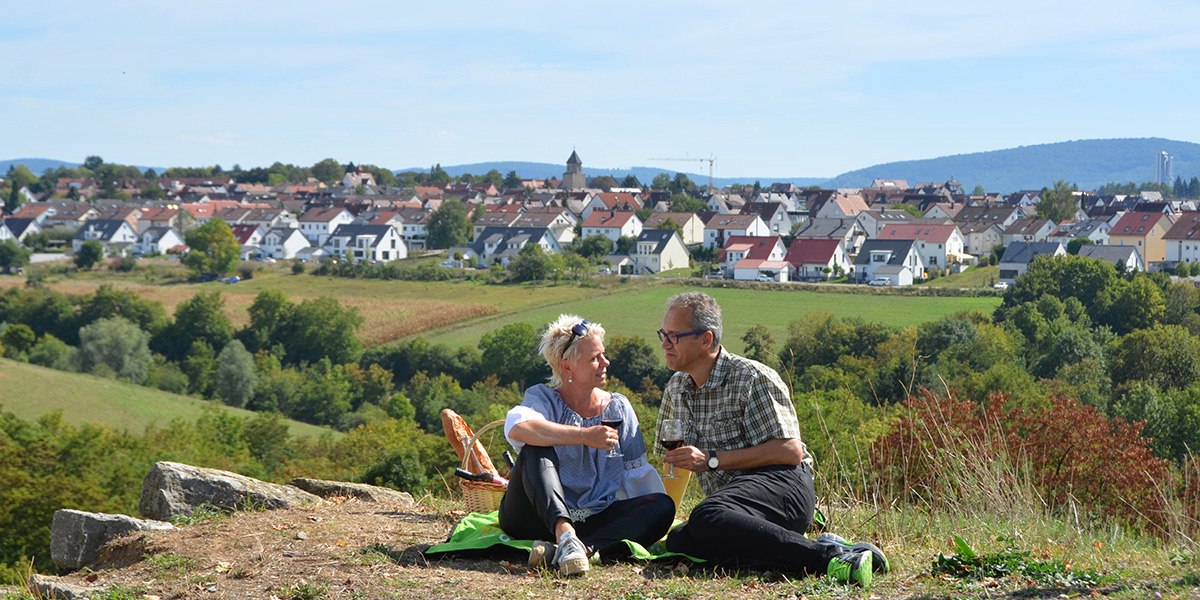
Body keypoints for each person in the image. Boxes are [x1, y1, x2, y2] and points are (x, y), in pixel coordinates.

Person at [655, 292, 887, 586]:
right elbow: (675, 465)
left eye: (674, 336)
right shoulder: (676, 388)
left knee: (705, 516)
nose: (664, 343)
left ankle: (829, 559)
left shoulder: (752, 377)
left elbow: (789, 451)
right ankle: (834, 549)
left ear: (706, 339)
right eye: (664, 334)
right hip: (736, 511)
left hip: (783, 486)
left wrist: (712, 459)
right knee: (680, 541)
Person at [499, 314, 675, 576]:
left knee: (662, 505)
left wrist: (646, 517)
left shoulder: (618, 407)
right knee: (535, 446)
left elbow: (636, 476)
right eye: (595, 358)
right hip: (532, 517)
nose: (606, 363)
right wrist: (585, 435)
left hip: (592, 519)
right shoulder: (543, 398)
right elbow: (517, 427)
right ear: (567, 367)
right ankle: (565, 535)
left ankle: (581, 550)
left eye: (603, 355)